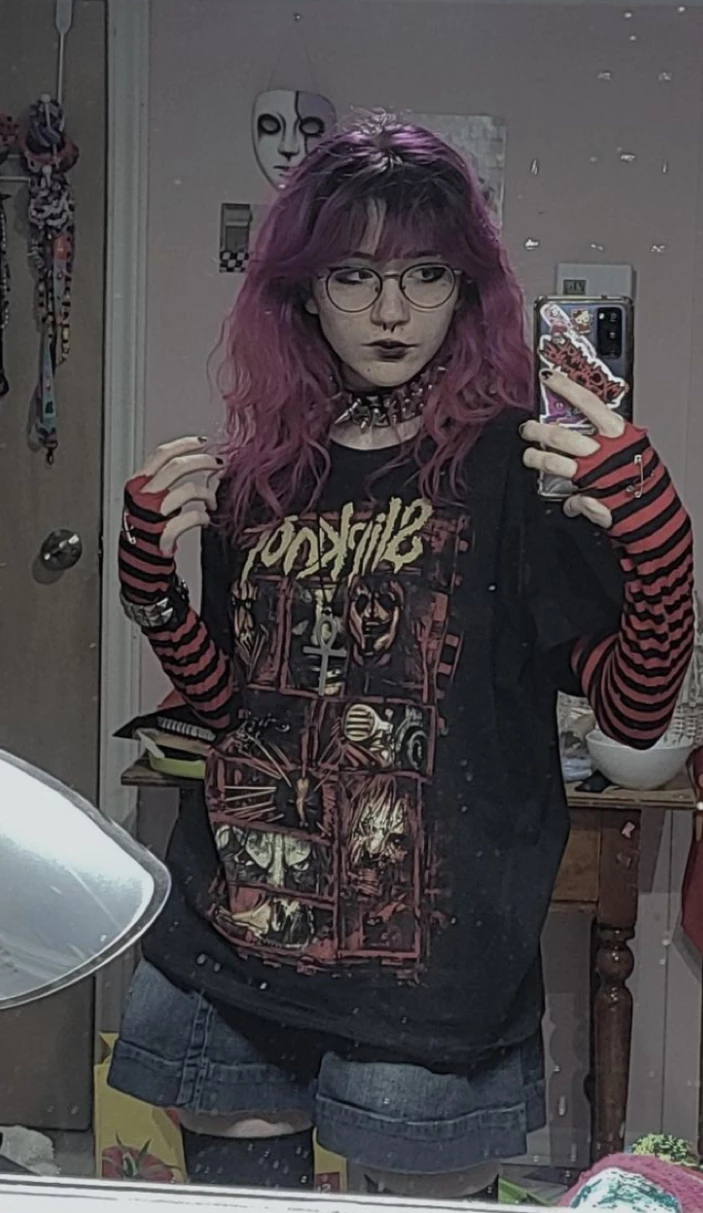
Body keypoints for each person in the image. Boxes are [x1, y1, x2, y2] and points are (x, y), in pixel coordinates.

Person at [109, 119, 694, 1197]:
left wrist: (661, 548)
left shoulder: (518, 466)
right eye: (354, 275)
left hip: (433, 972)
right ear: (301, 290)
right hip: (236, 936)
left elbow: (634, 707)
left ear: (466, 289)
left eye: (425, 274)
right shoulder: (261, 472)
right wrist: (150, 586)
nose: (391, 311)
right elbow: (229, 704)